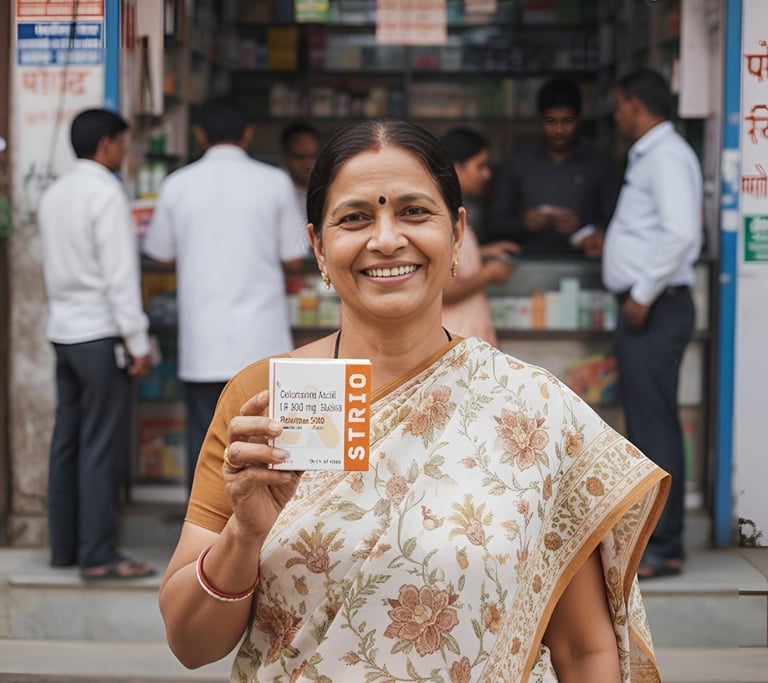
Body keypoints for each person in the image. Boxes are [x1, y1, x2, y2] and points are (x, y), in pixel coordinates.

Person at [159, 118, 668, 682]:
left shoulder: (534, 412)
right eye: (355, 217)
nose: (385, 239)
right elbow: (189, 643)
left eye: (413, 212)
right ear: (318, 246)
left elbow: (584, 652)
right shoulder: (263, 400)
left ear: (456, 233)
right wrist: (245, 533)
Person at [143, 96, 307, 488]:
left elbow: (160, 254)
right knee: (269, 440)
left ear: (201, 136)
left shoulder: (177, 184)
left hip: (204, 339)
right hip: (261, 338)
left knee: (206, 444)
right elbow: (294, 257)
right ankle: (264, 532)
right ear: (247, 135)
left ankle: (203, 536)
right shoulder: (274, 182)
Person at [38, 108, 154, 580]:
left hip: (63, 332)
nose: (124, 154)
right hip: (101, 332)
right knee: (101, 445)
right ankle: (100, 555)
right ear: (107, 144)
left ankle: (64, 548)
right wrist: (138, 340)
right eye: (122, 144)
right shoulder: (106, 193)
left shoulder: (55, 192)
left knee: (67, 440)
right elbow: (120, 277)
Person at [602, 69, 703, 580]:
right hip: (649, 305)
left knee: (655, 425)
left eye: (619, 104)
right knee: (646, 425)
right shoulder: (655, 154)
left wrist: (641, 293)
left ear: (634, 103)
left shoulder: (663, 155)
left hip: (655, 307)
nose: (616, 114)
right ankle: (655, 542)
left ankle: (665, 547)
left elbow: (683, 232)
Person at [486, 76, 618, 257]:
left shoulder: (600, 165)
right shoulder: (518, 162)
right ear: (540, 120)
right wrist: (523, 222)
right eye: (551, 122)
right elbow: (495, 223)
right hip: (526, 264)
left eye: (567, 121)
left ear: (579, 120)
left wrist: (583, 225)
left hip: (584, 264)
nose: (559, 130)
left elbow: (616, 223)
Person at [440, 127, 520, 345]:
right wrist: (489, 274)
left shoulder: (455, 211)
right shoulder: (442, 216)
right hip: (455, 344)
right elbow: (446, 289)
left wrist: (483, 251)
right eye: (480, 166)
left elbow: (452, 255)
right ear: (457, 167)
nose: (487, 174)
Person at [281, 121, 320, 224]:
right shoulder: (275, 191)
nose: (308, 165)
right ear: (285, 156)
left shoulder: (327, 190)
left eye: (314, 156)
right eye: (300, 157)